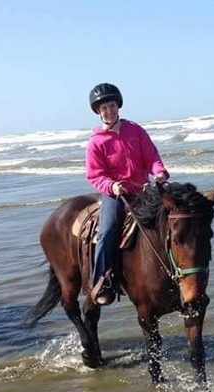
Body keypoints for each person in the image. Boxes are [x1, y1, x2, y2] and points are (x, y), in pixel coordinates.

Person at [85, 83, 169, 305]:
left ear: (118, 106)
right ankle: (101, 281)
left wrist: (159, 173)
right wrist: (111, 186)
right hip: (116, 195)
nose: (108, 111)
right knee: (108, 230)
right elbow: (94, 175)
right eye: (104, 108)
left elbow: (151, 157)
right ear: (98, 111)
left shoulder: (135, 130)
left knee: (173, 217)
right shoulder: (96, 142)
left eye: (111, 106)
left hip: (143, 190)